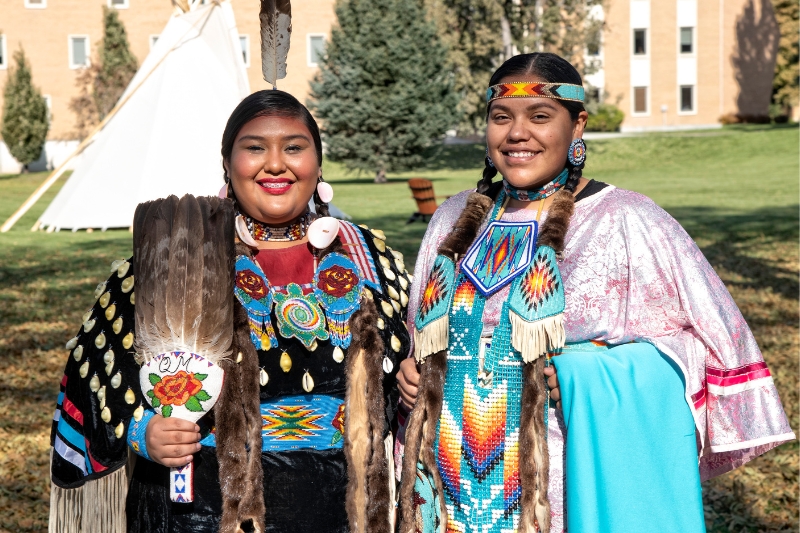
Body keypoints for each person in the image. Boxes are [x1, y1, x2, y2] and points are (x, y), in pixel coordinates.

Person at [395, 53, 794, 533]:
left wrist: (590, 374)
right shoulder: (451, 218)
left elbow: (707, 352)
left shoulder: (628, 220)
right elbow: (423, 331)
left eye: (540, 116)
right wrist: (410, 370)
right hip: (445, 478)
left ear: (577, 123)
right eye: (501, 118)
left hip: (563, 481)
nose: (517, 133)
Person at [49, 90, 410, 533]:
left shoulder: (369, 261)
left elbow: (406, 383)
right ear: (227, 161)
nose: (275, 164)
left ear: (317, 163)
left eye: (294, 147)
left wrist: (410, 386)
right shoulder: (178, 259)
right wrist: (145, 433)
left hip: (338, 512)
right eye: (255, 147)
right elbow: (94, 390)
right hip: (201, 512)